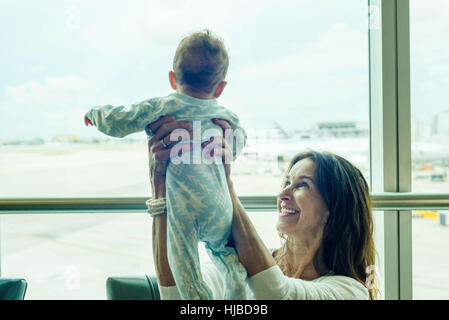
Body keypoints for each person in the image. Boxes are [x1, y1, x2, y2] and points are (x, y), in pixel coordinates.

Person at [84, 30, 248, 299]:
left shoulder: (164, 106)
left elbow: (121, 121)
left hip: (184, 208)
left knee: (185, 266)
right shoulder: (224, 115)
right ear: (220, 88)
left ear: (173, 79)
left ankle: (198, 301)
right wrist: (233, 149)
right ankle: (238, 291)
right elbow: (238, 140)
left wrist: (95, 114)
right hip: (219, 204)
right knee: (227, 255)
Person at [148, 116, 379, 300]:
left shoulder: (350, 291)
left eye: (302, 185)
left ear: (334, 207)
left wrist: (224, 180)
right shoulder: (238, 265)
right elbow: (177, 294)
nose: (282, 194)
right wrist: (161, 184)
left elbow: (276, 294)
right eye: (287, 182)